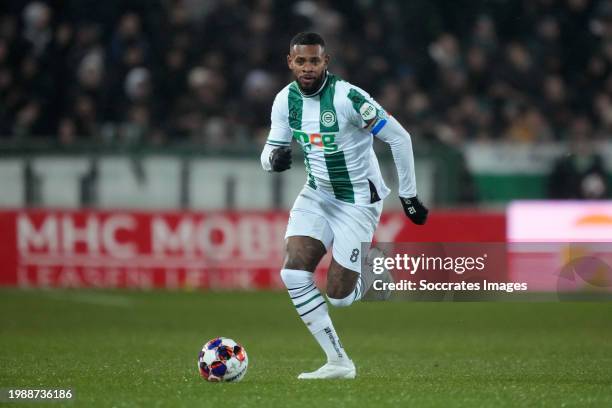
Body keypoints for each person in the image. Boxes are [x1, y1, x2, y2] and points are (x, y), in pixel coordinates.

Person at [260, 32, 428, 379]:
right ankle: (338, 362)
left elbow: (399, 137)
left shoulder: (348, 97)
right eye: (301, 61)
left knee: (338, 296)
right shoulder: (283, 101)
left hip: (357, 203)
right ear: (290, 62)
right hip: (317, 194)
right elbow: (269, 150)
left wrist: (408, 196)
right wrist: (272, 160)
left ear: (326, 62)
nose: (308, 68)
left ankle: (373, 272)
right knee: (293, 273)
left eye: (314, 61)